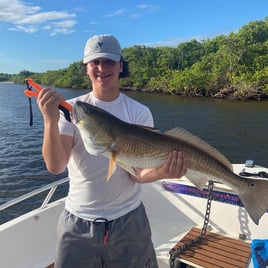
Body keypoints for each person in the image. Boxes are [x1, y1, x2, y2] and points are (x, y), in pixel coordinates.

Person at [37, 34, 187, 268]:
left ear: (120, 66)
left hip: (129, 221)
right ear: (86, 68)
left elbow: (135, 173)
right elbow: (55, 166)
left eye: (108, 61)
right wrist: (49, 121)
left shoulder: (139, 112)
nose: (101, 68)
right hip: (77, 223)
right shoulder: (75, 112)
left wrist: (163, 172)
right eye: (94, 62)